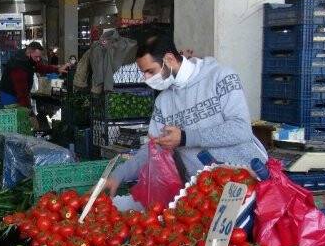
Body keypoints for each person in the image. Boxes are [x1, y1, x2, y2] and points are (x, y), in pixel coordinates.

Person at [103, 33, 267, 202]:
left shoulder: (221, 77)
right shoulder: (163, 102)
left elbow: (241, 130)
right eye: (143, 73)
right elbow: (154, 147)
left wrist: (184, 138)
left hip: (248, 184)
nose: (146, 78)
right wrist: (118, 175)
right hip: (205, 194)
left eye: (150, 71)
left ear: (169, 59)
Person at [0, 41, 68, 107]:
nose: (38, 59)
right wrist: (27, 108)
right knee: (13, 114)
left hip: (16, 93)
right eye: (36, 57)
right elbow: (22, 92)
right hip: (9, 95)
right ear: (29, 53)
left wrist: (57, 69)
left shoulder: (27, 56)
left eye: (39, 57)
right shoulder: (19, 66)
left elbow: (40, 67)